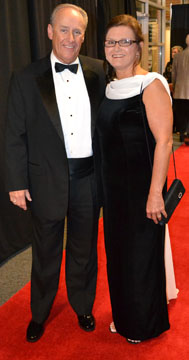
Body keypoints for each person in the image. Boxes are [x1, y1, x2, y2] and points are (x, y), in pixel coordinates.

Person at [5, 3, 105, 342]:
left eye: (77, 32)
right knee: (45, 251)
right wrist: (16, 182)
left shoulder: (98, 70)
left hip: (89, 178)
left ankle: (82, 304)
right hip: (45, 180)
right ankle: (39, 312)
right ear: (50, 31)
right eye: (64, 29)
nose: (71, 38)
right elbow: (14, 135)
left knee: (84, 248)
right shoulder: (25, 78)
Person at [95, 14, 173, 343]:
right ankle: (125, 316)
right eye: (111, 42)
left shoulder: (150, 83)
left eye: (124, 41)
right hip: (115, 193)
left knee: (140, 258)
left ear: (138, 48)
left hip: (144, 188)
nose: (117, 48)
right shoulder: (110, 86)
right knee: (119, 256)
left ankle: (143, 324)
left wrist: (155, 193)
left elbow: (165, 142)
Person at [172, 34, 189, 141]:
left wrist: (175, 86)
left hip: (180, 91)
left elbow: (174, 75)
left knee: (182, 114)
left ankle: (182, 135)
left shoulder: (178, 56)